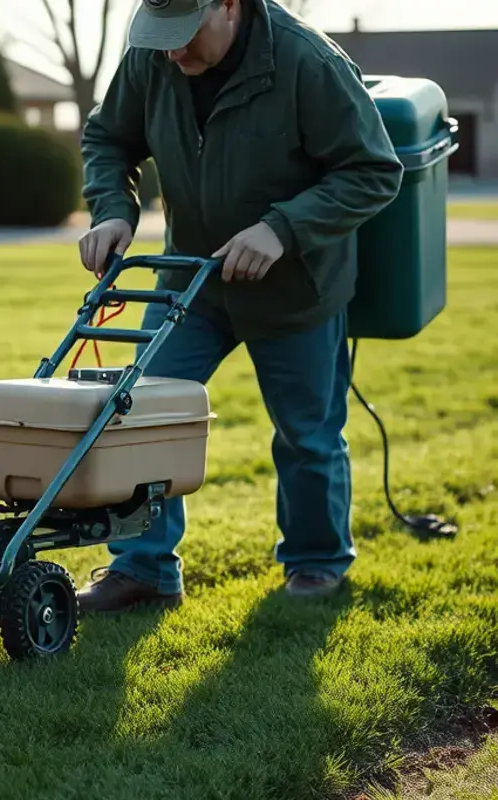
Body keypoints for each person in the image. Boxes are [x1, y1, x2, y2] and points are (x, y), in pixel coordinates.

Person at [76, 0, 403, 612]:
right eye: (160, 35)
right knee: (142, 414)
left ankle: (315, 564)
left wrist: (282, 228)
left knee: (306, 435)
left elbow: (372, 170)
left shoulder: (307, 60)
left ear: (228, 5)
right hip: (192, 281)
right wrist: (113, 210)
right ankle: (144, 570)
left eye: (184, 34)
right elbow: (107, 138)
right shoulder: (153, 56)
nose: (171, 50)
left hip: (295, 284)